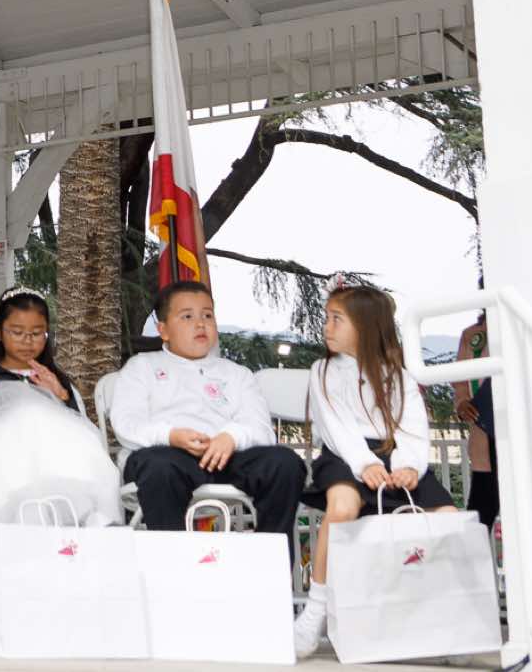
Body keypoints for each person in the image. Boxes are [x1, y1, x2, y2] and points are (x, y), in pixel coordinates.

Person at [293, 282, 457, 656]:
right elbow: (336, 427)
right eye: (327, 318)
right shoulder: (323, 370)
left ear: (366, 326)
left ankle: (443, 614)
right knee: (342, 509)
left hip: (397, 454)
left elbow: (412, 427)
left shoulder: (399, 375)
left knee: (447, 517)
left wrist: (408, 466)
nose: (327, 327)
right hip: (344, 455)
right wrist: (364, 463)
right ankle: (316, 611)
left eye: (337, 319)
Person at [108, 280, 305, 541]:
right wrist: (171, 436)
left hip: (226, 457)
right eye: (187, 317)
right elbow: (127, 424)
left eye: (207, 315)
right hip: (166, 455)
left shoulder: (237, 374)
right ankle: (172, 562)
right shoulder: (141, 367)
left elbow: (260, 427)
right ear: (163, 330)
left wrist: (231, 437)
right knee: (159, 466)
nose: (200, 324)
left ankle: (270, 558)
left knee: (284, 463)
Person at [0, 286, 120, 561]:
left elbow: (78, 427)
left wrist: (61, 395)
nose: (27, 341)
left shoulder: (53, 377)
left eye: (37, 333)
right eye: (17, 332)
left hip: (56, 463)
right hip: (2, 463)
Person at [454, 311, 498, 529]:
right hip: (484, 430)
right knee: (481, 514)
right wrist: (462, 403)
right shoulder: (472, 335)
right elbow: (460, 380)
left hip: (520, 431)